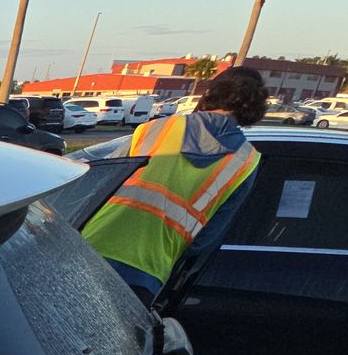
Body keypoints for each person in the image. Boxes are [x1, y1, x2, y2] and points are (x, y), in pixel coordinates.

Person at [81, 67, 267, 306]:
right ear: (255, 106)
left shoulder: (156, 128)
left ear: (209, 92)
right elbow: (204, 241)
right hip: (149, 271)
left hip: (91, 246)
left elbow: (96, 181)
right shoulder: (247, 162)